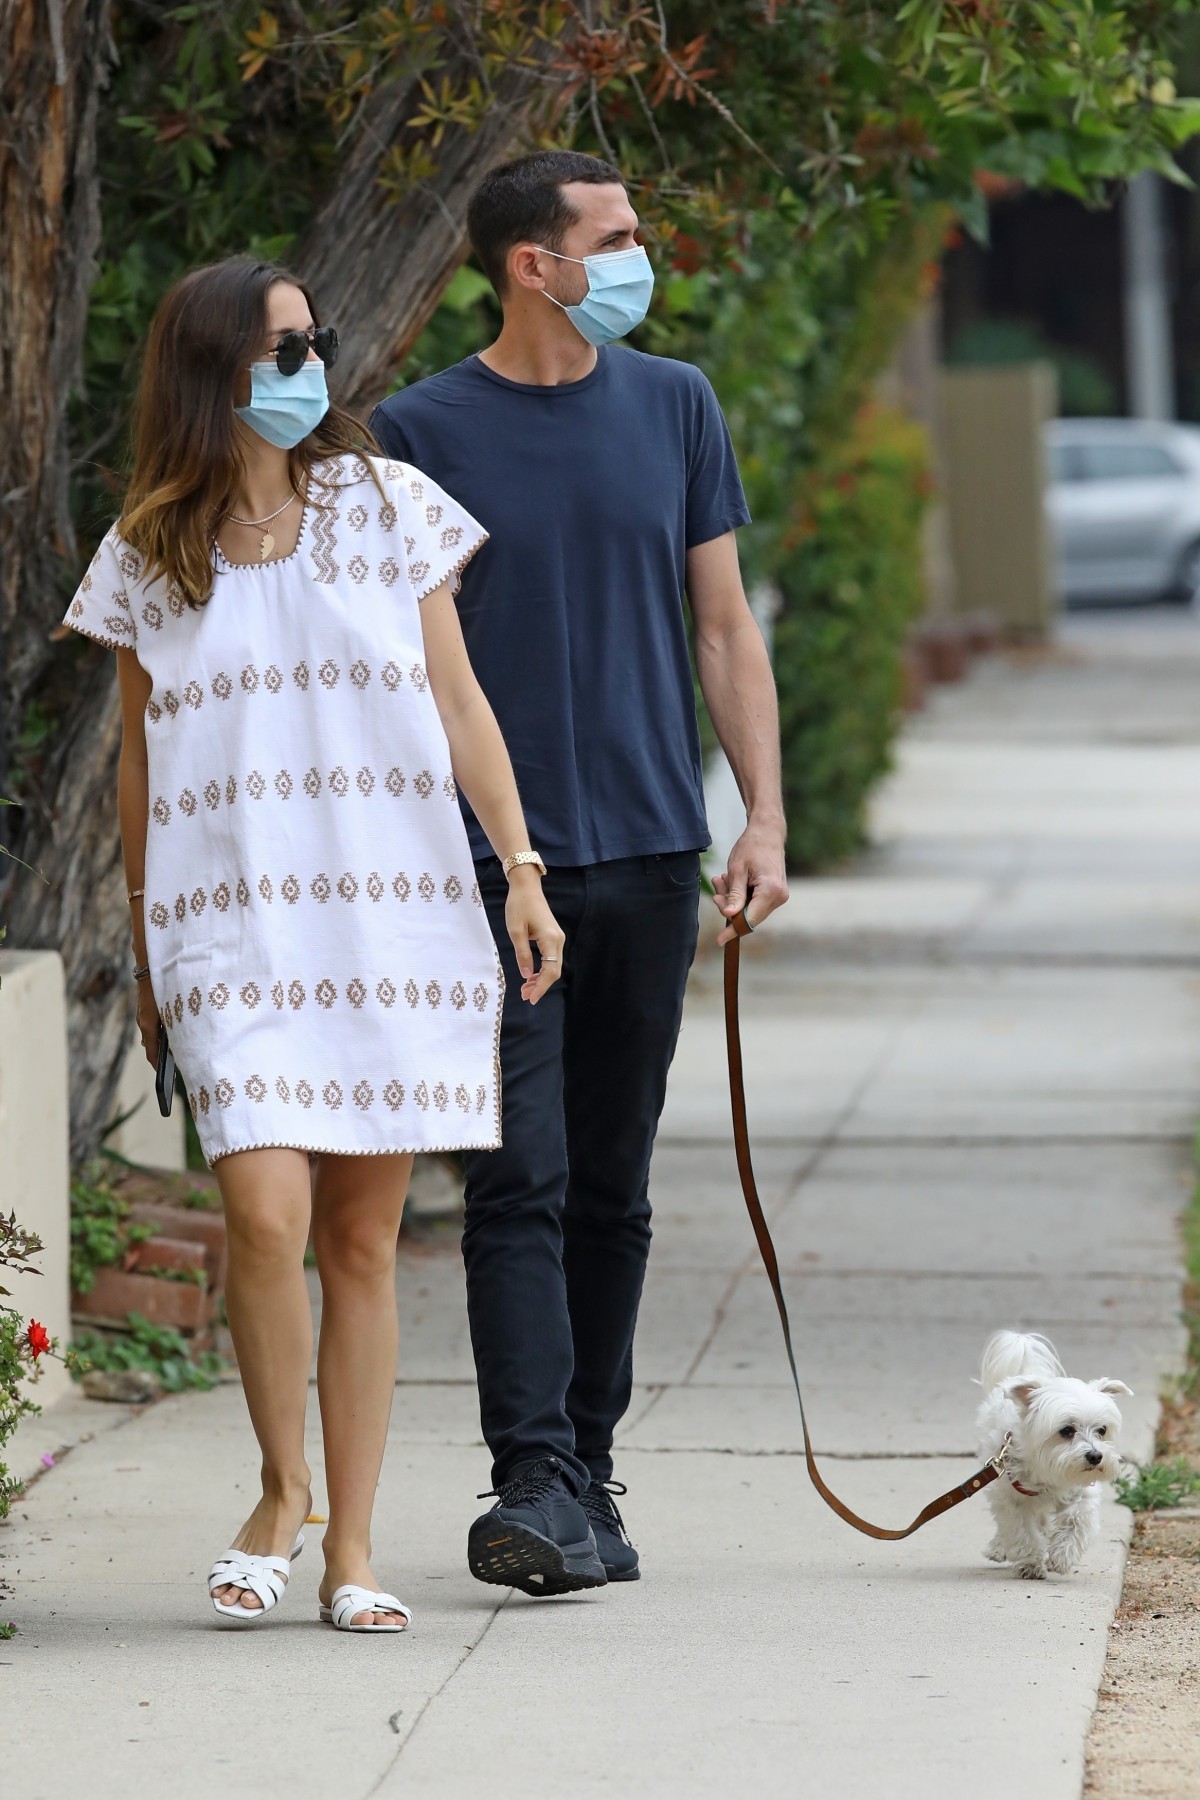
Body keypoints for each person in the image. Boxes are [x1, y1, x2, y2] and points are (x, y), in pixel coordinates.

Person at [62, 256, 564, 1633]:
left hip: (388, 916)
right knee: (263, 1213)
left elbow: (458, 703)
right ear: (212, 370)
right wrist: (155, 956)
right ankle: (280, 1491)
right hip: (230, 932)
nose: (308, 366)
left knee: (359, 1239)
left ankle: (351, 1552)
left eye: (313, 342)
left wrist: (518, 869)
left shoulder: (390, 508)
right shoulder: (146, 553)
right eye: (280, 347)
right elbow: (137, 773)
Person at [370, 150, 788, 1595]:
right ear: (530, 264)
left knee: (611, 1185)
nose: (637, 253)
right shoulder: (418, 434)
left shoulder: (676, 404)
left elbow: (725, 631)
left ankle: (587, 1477)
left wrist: (765, 822)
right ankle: (532, 1476)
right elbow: (403, 670)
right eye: (612, 236)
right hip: (493, 874)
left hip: (654, 852)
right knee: (515, 1183)